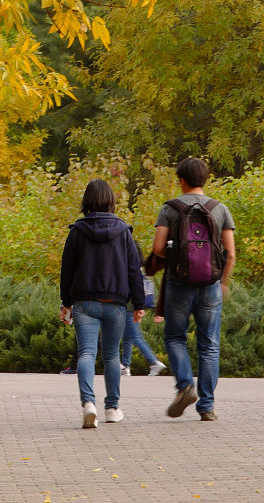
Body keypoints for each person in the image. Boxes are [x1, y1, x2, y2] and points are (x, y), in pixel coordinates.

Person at [150, 156, 235, 421]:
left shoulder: (170, 208)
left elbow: (158, 248)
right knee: (209, 345)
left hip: (179, 282)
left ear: (182, 181)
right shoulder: (220, 209)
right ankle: (207, 407)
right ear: (205, 179)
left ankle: (186, 386)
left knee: (175, 337)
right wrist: (223, 282)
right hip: (211, 284)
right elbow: (231, 253)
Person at [60, 178, 146, 428]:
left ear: (86, 201)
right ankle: (112, 408)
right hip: (115, 302)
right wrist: (139, 303)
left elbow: (67, 269)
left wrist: (66, 303)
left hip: (84, 302)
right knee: (111, 355)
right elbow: (133, 270)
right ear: (111, 200)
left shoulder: (77, 231)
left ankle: (89, 404)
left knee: (87, 353)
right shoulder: (123, 231)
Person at [121, 240, 166, 376]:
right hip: (136, 305)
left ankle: (154, 362)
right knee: (128, 337)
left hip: (129, 306)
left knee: (135, 335)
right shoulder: (139, 267)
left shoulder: (127, 268)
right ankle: (125, 366)